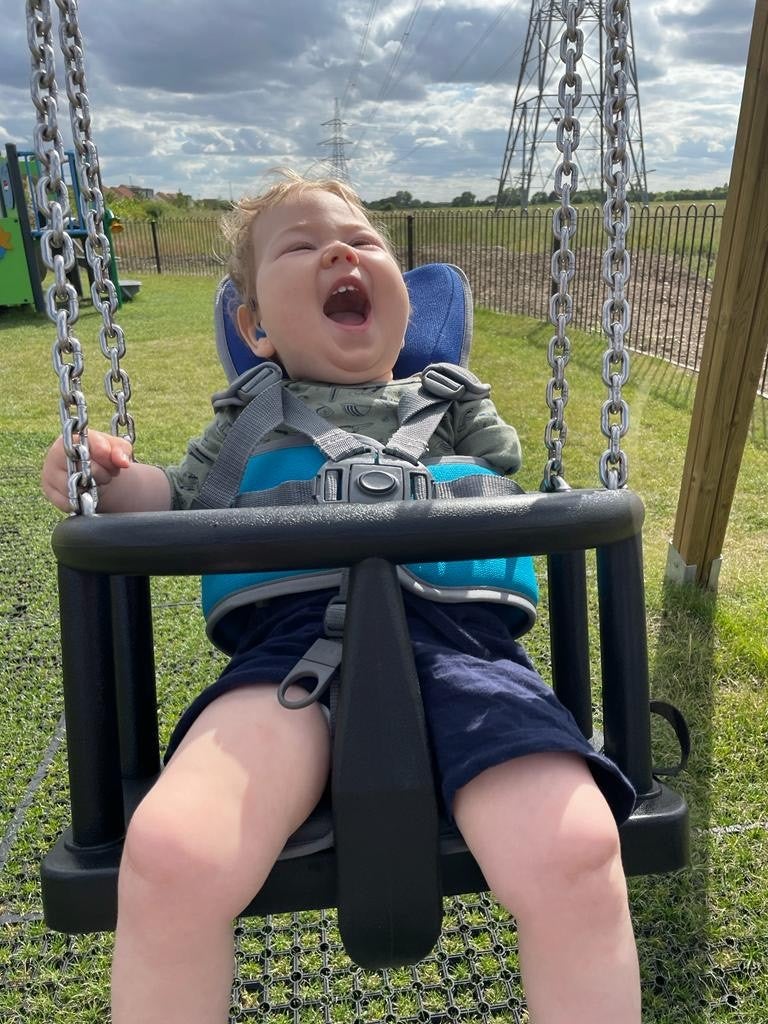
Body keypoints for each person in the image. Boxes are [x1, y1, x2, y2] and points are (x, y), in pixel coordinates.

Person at [41, 171, 641, 1024]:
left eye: (364, 243)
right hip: (289, 658)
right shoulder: (250, 418)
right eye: (300, 246)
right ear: (253, 327)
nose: (339, 251)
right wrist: (101, 479)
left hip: (467, 645)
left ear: (403, 300)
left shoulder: (455, 405)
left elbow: (517, 492)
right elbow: (165, 502)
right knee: (174, 852)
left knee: (577, 849)